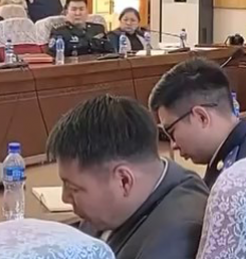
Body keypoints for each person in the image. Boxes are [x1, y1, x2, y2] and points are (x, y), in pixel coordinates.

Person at [46, 94, 208, 259]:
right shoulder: (140, 190)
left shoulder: (174, 238)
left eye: (73, 189)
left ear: (124, 181)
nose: (65, 198)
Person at [149, 58, 246, 188]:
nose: (173, 145)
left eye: (171, 133)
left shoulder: (240, 178)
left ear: (202, 117)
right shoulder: (244, 149)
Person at [48, 0, 113, 57]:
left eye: (81, 9)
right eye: (74, 9)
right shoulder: (59, 32)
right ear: (66, 12)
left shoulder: (98, 29)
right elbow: (54, 57)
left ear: (87, 11)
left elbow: (110, 53)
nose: (78, 13)